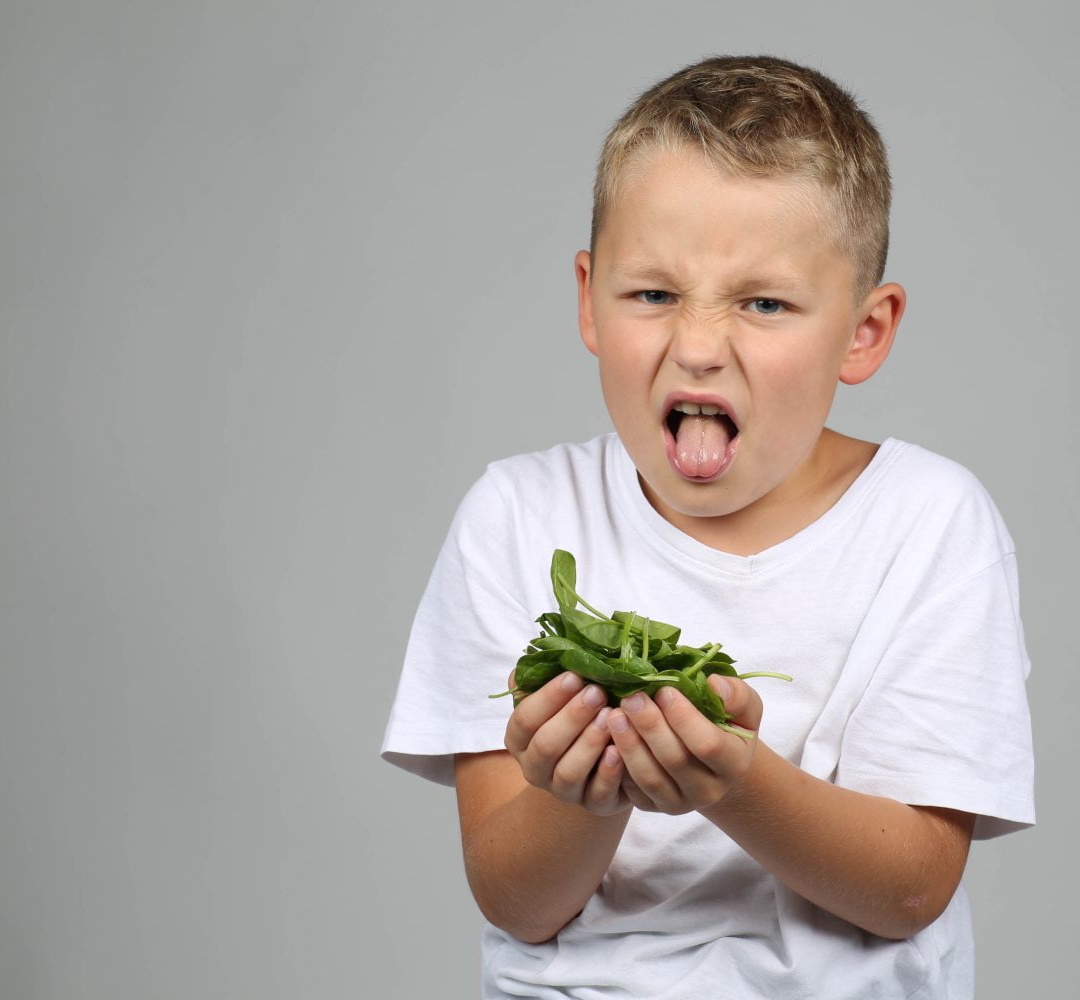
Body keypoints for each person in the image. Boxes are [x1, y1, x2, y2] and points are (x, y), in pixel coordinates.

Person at [381, 54, 1035, 999]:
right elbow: (514, 900)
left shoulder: (931, 524)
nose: (696, 345)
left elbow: (911, 889)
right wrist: (581, 792)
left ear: (865, 330)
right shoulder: (517, 518)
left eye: (763, 303)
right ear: (588, 299)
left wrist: (737, 783)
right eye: (652, 294)